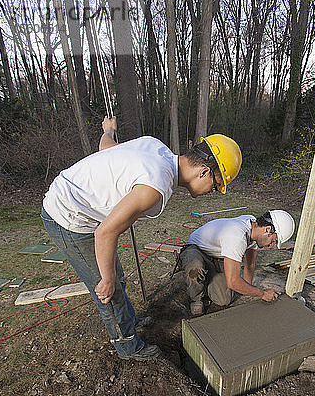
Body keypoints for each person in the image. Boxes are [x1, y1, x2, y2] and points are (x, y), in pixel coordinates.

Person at [41, 116, 242, 360]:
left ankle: (130, 320)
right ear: (205, 171)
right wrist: (106, 279)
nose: (212, 192)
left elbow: (106, 149)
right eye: (215, 186)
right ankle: (128, 347)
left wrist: (109, 130)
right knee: (108, 289)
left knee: (117, 277)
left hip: (76, 202)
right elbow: (105, 232)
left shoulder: (156, 147)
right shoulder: (155, 186)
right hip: (68, 216)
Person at [178, 210, 295, 315]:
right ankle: (196, 299)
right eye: (274, 240)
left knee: (224, 299)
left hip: (216, 254)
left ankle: (208, 275)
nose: (272, 245)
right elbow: (233, 282)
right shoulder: (237, 236)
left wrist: (249, 288)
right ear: (267, 229)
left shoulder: (254, 228)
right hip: (195, 248)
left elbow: (250, 264)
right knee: (195, 269)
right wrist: (262, 293)